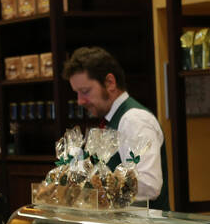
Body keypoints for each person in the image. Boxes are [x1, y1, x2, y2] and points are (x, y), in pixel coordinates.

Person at [63, 46, 169, 210]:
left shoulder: (133, 119)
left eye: (85, 91)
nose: (80, 101)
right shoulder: (111, 120)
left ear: (110, 83)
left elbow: (149, 185)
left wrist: (99, 188)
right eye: (77, 93)